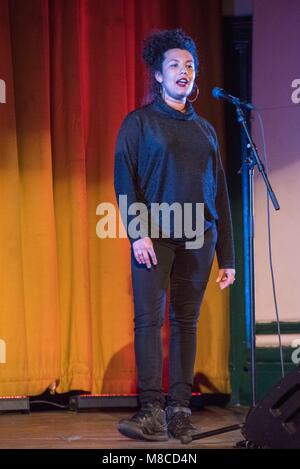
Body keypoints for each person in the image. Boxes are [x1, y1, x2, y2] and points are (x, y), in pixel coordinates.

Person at [114, 29, 235, 442]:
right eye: (174, 66)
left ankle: (180, 409)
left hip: (198, 237)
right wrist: (137, 233)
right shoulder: (139, 123)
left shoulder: (205, 130)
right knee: (148, 321)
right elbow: (124, 181)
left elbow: (218, 193)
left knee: (186, 322)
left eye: (189, 65)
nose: (183, 71)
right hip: (154, 236)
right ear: (159, 75)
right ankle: (151, 410)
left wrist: (229, 256)